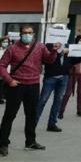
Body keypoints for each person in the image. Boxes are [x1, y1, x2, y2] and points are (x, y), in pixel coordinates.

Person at [0, 24, 59, 156]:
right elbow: (2, 66)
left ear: (33, 34)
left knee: (31, 115)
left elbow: (49, 60)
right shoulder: (12, 48)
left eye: (30, 33)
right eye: (25, 33)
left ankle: (30, 142)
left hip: (33, 85)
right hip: (16, 86)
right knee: (9, 115)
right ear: (21, 34)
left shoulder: (40, 46)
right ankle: (3, 143)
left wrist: (54, 51)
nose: (28, 35)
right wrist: (10, 80)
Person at [35, 42, 70, 132]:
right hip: (51, 77)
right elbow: (48, 60)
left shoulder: (66, 45)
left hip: (63, 77)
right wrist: (60, 52)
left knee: (58, 101)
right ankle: (32, 123)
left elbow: (72, 60)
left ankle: (52, 124)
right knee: (43, 100)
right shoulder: (49, 45)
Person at [59, 35, 81, 119]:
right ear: (77, 41)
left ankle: (79, 110)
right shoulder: (72, 49)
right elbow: (68, 61)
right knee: (68, 92)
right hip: (73, 72)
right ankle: (61, 111)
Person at [0, 37, 9, 104]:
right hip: (1, 71)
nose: (5, 43)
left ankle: (4, 97)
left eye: (6, 42)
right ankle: (1, 98)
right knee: (1, 85)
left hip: (8, 71)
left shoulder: (9, 50)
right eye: (4, 41)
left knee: (5, 85)